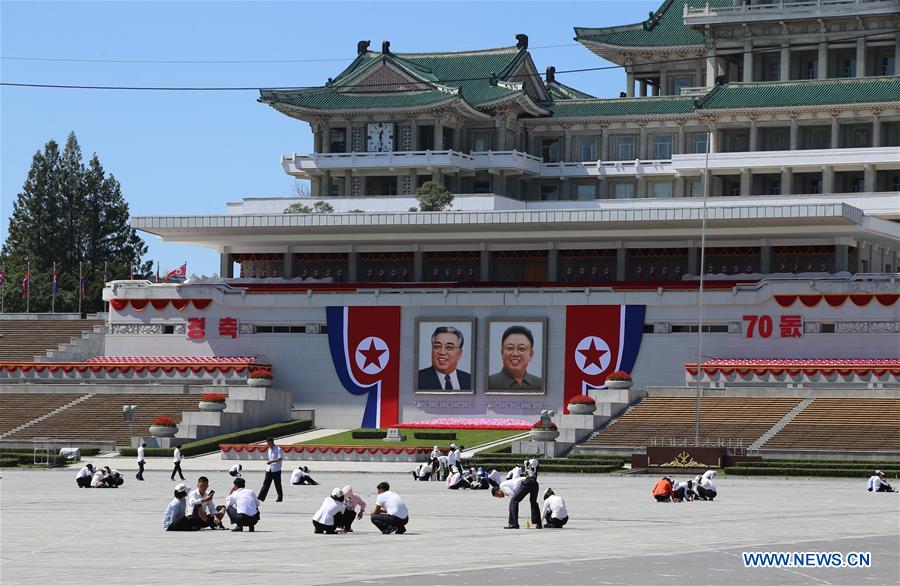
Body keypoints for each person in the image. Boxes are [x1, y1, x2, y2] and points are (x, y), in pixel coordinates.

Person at [488, 325, 543, 391]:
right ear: (502, 353)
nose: (515, 354)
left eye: (521, 349)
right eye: (510, 348)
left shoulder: (540, 384)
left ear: (531, 355)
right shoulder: (489, 383)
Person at [418, 326, 471, 391]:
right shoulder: (417, 379)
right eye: (437, 346)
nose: (442, 352)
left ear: (459, 353)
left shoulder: (470, 380)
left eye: (449, 347)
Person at [258, 437, 284, 502]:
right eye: (267, 443)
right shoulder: (269, 449)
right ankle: (260, 497)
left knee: (277, 484)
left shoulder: (278, 449)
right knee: (266, 484)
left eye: (269, 443)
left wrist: (272, 461)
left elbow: (280, 459)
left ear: (272, 442)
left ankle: (280, 498)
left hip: (276, 470)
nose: (268, 445)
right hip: (269, 469)